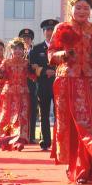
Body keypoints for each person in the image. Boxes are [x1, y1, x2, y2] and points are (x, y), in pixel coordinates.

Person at [49, 0, 92, 184]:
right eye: (78, 7)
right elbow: (51, 55)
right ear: (71, 8)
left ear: (90, 9)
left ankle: (86, 169)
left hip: (90, 81)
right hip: (67, 80)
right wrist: (63, 55)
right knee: (71, 126)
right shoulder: (61, 28)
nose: (82, 11)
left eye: (86, 8)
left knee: (91, 124)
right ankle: (74, 168)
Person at [0, 38, 31, 150]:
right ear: (11, 50)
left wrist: (35, 70)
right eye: (15, 48)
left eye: (20, 49)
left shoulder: (26, 63)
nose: (17, 51)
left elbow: (33, 77)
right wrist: (1, 74)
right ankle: (5, 140)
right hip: (9, 94)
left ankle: (19, 140)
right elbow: (0, 79)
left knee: (21, 117)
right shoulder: (6, 62)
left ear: (23, 51)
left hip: (23, 94)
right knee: (6, 116)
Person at [30, 19, 58, 151]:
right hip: (43, 85)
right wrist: (44, 71)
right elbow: (31, 67)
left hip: (59, 84)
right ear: (43, 32)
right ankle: (45, 141)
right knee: (44, 114)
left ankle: (59, 141)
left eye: (52, 30)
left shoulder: (61, 47)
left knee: (59, 114)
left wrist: (56, 71)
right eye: (47, 30)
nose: (49, 32)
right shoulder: (36, 49)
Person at [18, 28, 38, 144]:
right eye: (24, 38)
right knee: (20, 110)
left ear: (31, 40)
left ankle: (31, 135)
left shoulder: (35, 51)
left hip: (33, 85)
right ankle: (19, 135)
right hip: (19, 84)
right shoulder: (14, 52)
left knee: (32, 109)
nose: (26, 40)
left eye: (28, 38)